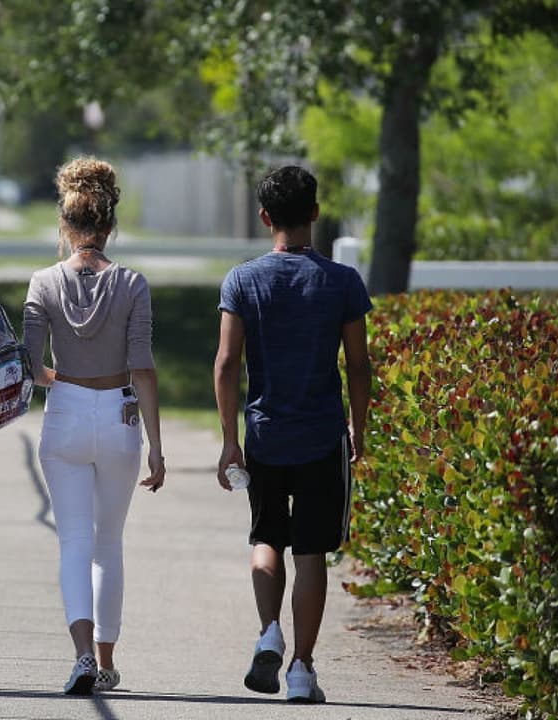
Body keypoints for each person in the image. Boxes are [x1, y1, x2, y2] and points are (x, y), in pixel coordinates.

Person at [213, 165, 372, 704]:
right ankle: (302, 669)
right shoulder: (343, 282)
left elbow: (227, 362)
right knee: (310, 552)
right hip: (322, 436)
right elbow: (359, 366)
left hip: (264, 434)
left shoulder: (242, 281)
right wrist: (359, 428)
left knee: (265, 539)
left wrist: (230, 439)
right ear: (316, 213)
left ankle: (269, 633)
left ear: (264, 218)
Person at [22, 156, 165, 695]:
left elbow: (30, 364)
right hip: (120, 414)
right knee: (109, 543)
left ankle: (81, 654)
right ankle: (106, 660)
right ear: (110, 224)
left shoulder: (43, 282)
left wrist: (56, 377)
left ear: (65, 223)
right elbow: (142, 367)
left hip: (65, 412)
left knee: (74, 542)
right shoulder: (132, 284)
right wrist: (156, 446)